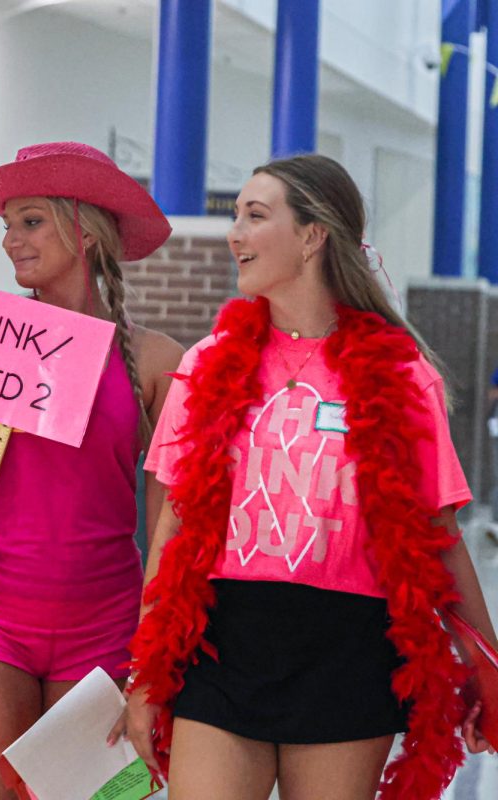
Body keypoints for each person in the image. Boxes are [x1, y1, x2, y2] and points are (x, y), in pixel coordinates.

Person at [117, 154, 498, 800]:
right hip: (221, 645)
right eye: (235, 216)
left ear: (313, 235)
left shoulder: (402, 375)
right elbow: (172, 528)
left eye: (255, 216)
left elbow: (440, 534)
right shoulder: (207, 366)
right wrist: (146, 671)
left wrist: (487, 666)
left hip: (346, 655)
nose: (234, 233)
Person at [0, 141, 183, 799]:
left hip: (108, 627)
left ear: (85, 229)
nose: (10, 241)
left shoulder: (158, 363)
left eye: (30, 221)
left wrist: (158, 660)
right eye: (7, 225)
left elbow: (171, 530)